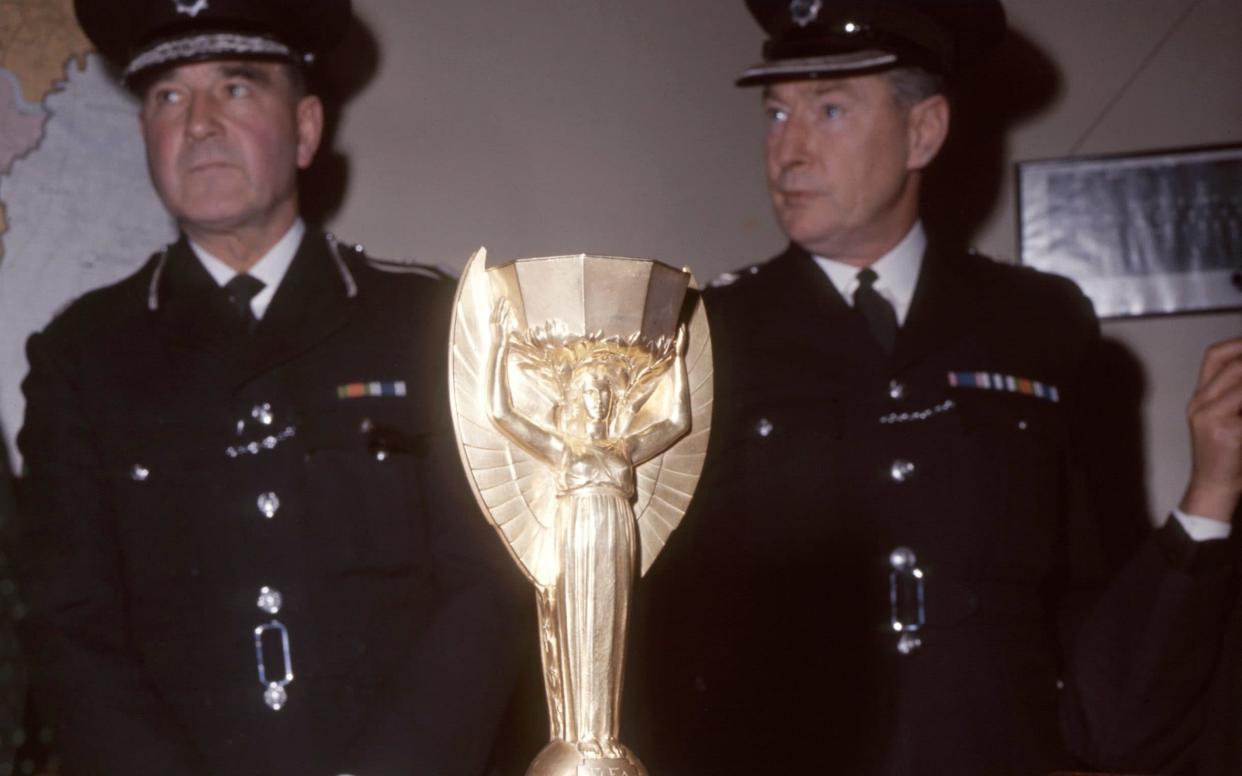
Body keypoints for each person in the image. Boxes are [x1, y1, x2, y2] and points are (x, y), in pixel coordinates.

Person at [627, 1, 1242, 774]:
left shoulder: (1039, 323)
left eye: (829, 110)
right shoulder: (706, 331)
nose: (789, 150)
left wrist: (1212, 489)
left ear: (925, 131)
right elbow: (659, 621)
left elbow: (1090, 589)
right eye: (777, 113)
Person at [15, 2, 522, 775]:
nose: (200, 123)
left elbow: (486, 585)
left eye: (237, 87)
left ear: (308, 129)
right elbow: (68, 621)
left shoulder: (429, 324)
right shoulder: (81, 357)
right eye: (168, 97)